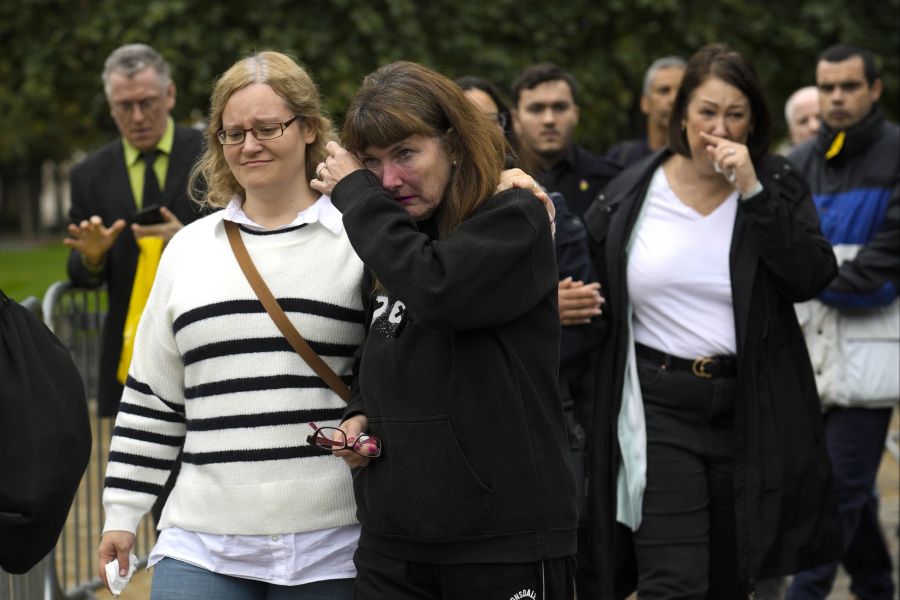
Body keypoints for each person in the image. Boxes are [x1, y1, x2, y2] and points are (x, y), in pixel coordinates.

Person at [97, 50, 367, 599]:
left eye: (267, 127)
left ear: (310, 128)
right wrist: (122, 512)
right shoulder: (188, 250)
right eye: (232, 132)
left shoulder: (362, 239)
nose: (249, 145)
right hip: (202, 538)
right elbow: (152, 396)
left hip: (334, 540)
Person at [579, 44, 842, 599]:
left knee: (733, 579)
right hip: (658, 405)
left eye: (735, 114)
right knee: (672, 581)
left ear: (755, 120)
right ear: (681, 115)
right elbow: (592, 275)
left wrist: (752, 191)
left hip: (748, 402)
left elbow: (809, 275)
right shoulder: (634, 188)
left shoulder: (775, 181)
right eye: (706, 112)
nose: (718, 128)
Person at [311, 60, 578, 600]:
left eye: (406, 153)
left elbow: (440, 292)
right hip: (395, 542)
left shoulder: (515, 217)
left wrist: (359, 197)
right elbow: (386, 350)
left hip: (500, 541)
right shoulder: (394, 241)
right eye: (371, 163)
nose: (388, 181)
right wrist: (361, 411)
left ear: (454, 145)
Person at [459, 73, 604, 511]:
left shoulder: (547, 209)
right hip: (458, 428)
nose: (478, 131)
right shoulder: (418, 222)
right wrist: (538, 307)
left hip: (542, 417)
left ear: (506, 126)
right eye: (463, 120)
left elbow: (586, 329)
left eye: (489, 119)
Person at [786, 43, 898, 600]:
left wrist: (810, 276)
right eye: (826, 86)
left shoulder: (898, 153)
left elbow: (888, 264)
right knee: (845, 492)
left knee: (832, 496)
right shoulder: (803, 160)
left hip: (871, 359)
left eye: (848, 86)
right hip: (810, 354)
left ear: (874, 89)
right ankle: (877, 585)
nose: (835, 97)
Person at [64, 43, 204, 419]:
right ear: (111, 107)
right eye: (125, 107)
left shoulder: (212, 155)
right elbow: (79, 276)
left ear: (170, 94)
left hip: (203, 343)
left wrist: (188, 240)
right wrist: (92, 256)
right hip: (127, 354)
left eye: (148, 102)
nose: (138, 116)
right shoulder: (87, 175)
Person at [511, 62, 621, 219]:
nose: (549, 120)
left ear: (576, 114)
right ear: (515, 119)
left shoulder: (611, 181)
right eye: (536, 109)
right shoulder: (497, 182)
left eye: (560, 107)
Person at [605, 56, 686, 167]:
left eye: (681, 93)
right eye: (664, 90)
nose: (674, 99)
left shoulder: (703, 162)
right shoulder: (621, 158)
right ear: (645, 103)